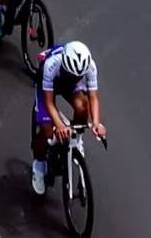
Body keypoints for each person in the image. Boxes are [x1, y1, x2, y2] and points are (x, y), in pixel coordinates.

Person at [31, 40, 105, 197]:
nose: (75, 77)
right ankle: (38, 164)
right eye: (73, 75)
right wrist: (58, 124)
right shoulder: (51, 65)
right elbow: (49, 102)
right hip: (50, 83)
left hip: (68, 85)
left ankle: (76, 140)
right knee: (47, 132)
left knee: (82, 106)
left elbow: (93, 97)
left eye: (78, 76)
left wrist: (97, 123)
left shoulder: (90, 66)